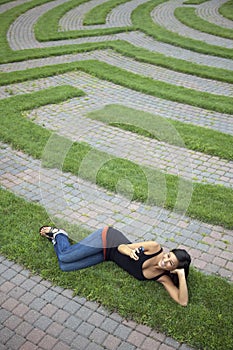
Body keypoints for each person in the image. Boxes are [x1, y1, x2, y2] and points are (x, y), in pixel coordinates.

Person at [39, 225, 191, 306]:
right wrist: (129, 252)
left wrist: (181, 276)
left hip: (107, 255)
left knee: (64, 266)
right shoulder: (154, 247)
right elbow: (122, 247)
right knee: (65, 256)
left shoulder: (162, 277)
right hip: (108, 239)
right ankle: (59, 234)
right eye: (169, 255)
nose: (165, 260)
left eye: (171, 263)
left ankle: (56, 241)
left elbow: (182, 301)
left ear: (173, 269)